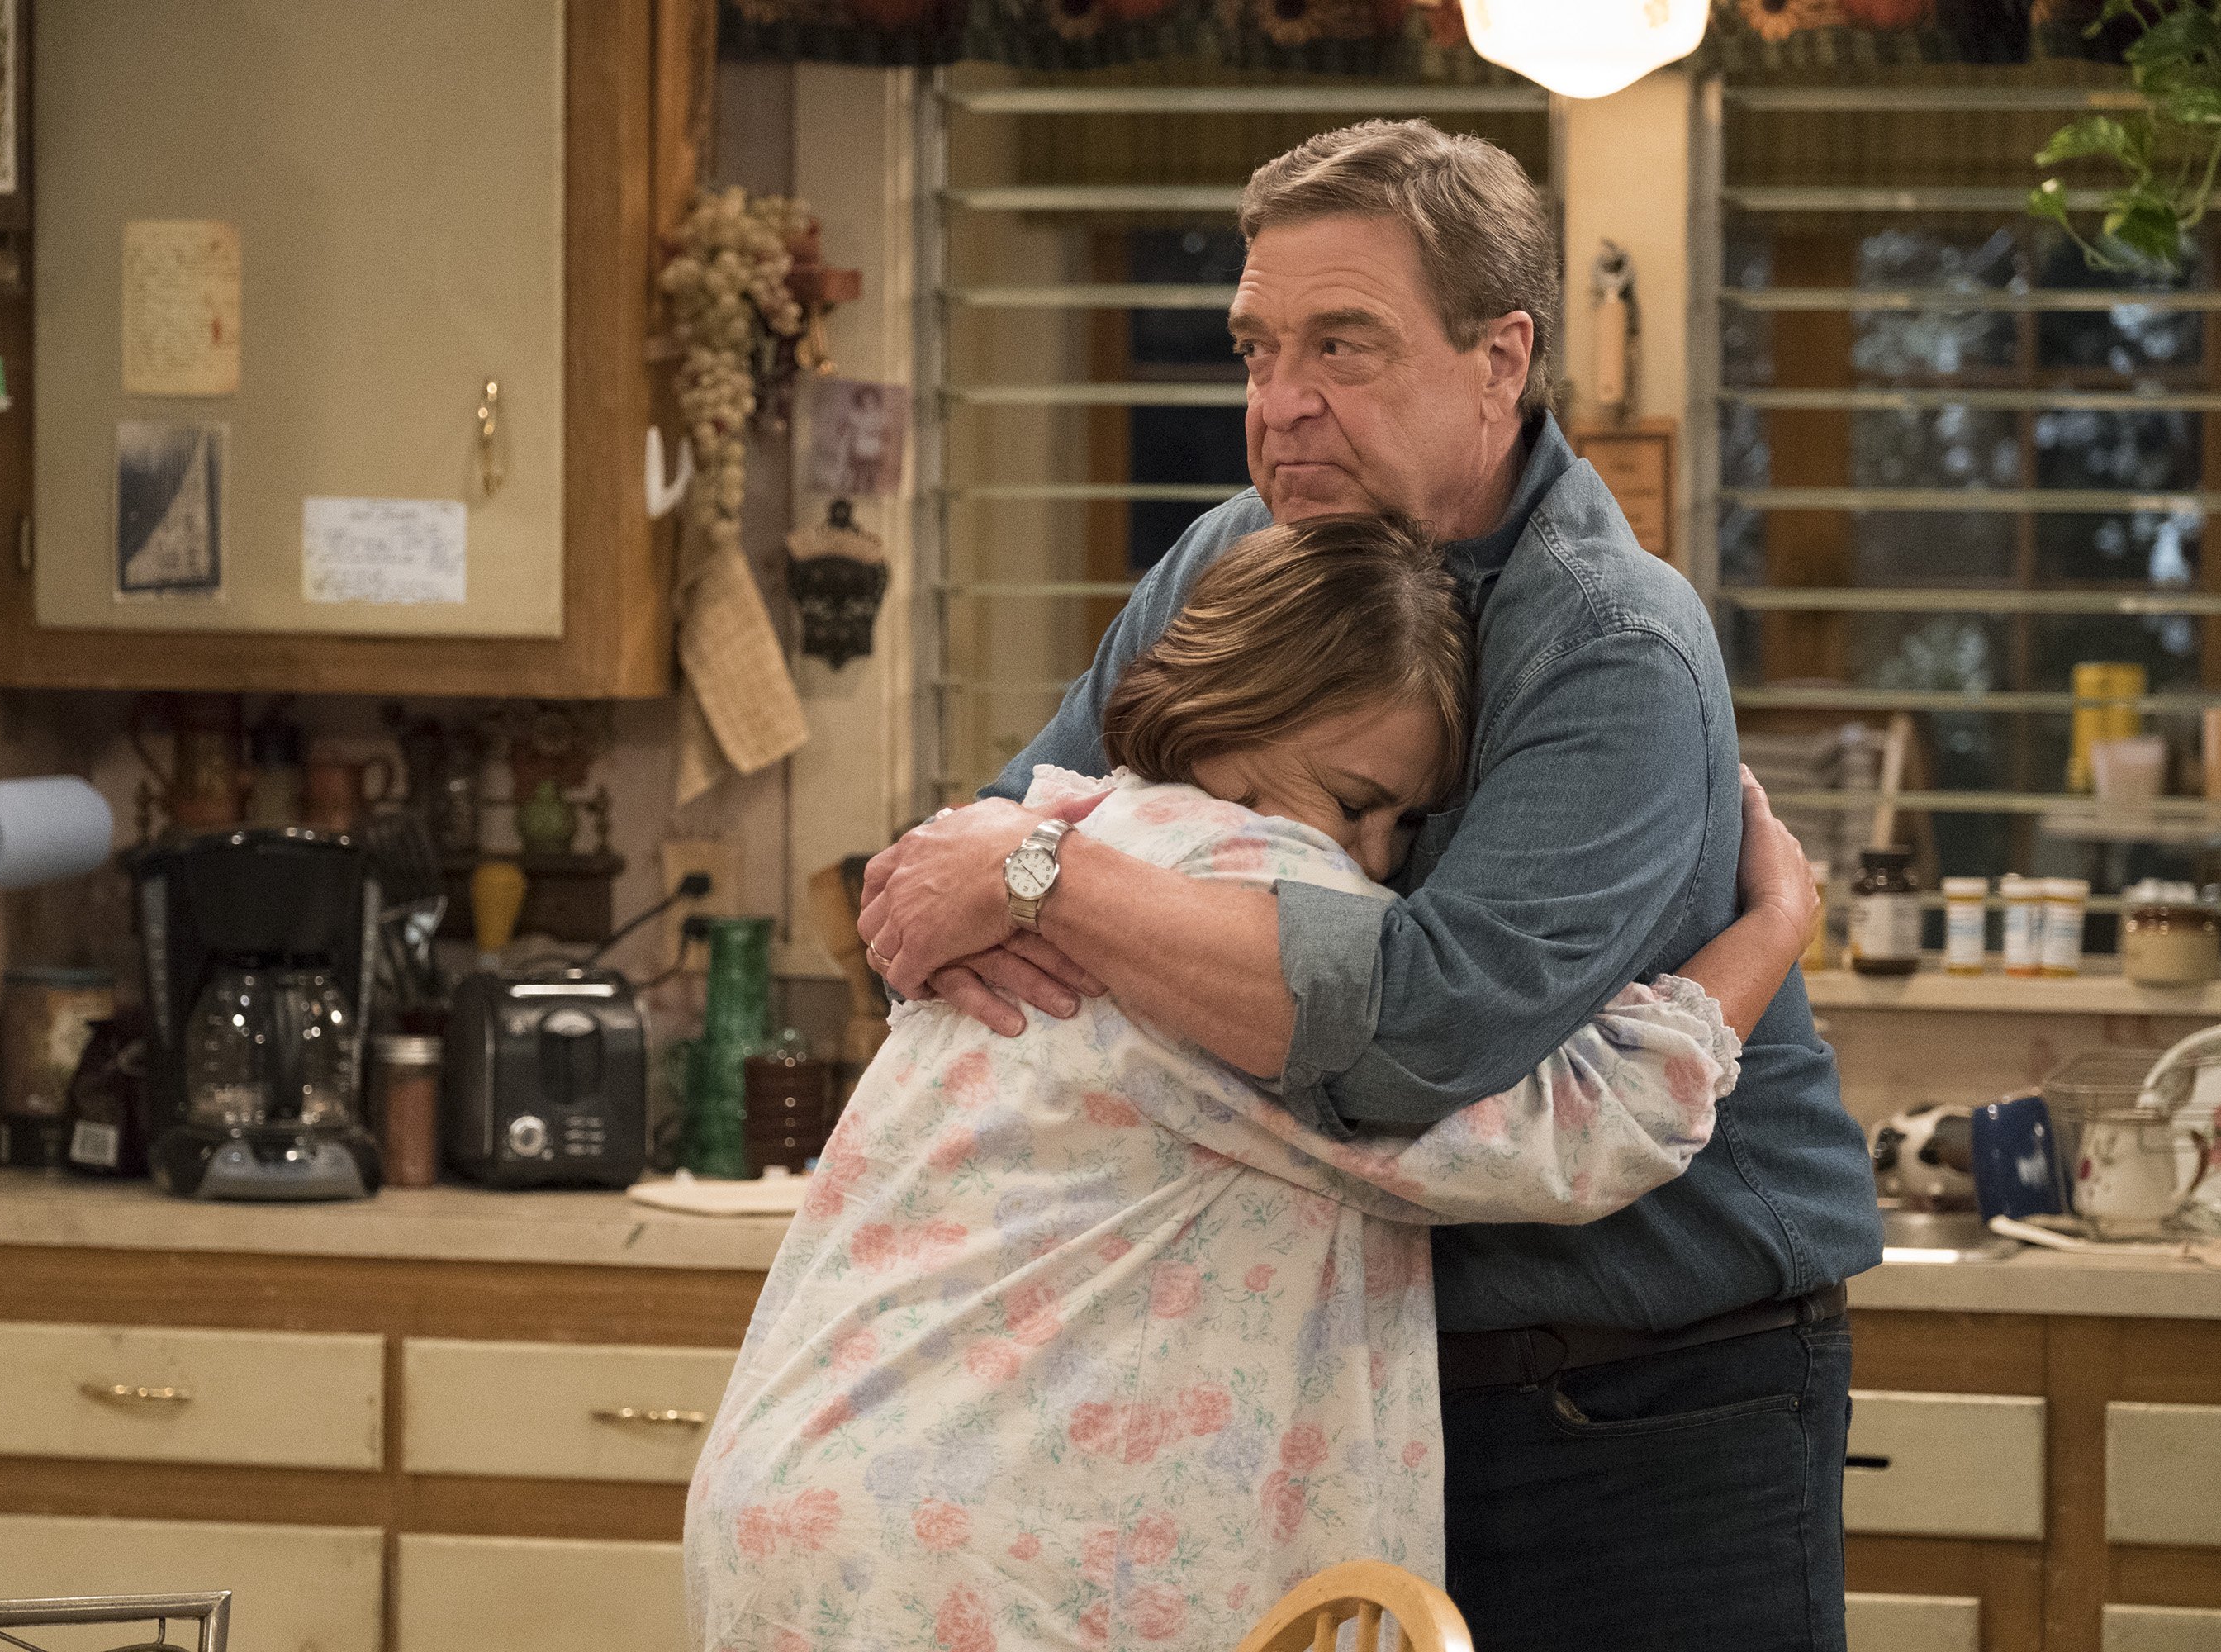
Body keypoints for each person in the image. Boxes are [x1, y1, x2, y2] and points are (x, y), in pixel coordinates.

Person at [856, 120, 1883, 1652]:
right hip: (1342, 1386)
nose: (1282, 408)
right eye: (1257, 350)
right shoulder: (1226, 564)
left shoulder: (1612, 642)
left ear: (1501, 359)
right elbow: (980, 871)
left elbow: (1415, 1036)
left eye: (1345, 345)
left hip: (1640, 1396)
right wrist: (1001, 882)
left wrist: (1040, 888)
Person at [691, 516, 1821, 1652]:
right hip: (957, 1564)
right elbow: (1565, 1134)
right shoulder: (1237, 887)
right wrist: (1773, 928)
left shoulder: (1059, 833)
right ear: (1237, 713)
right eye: (1352, 800)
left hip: (826, 1502)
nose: (1375, 861)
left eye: (1400, 822)